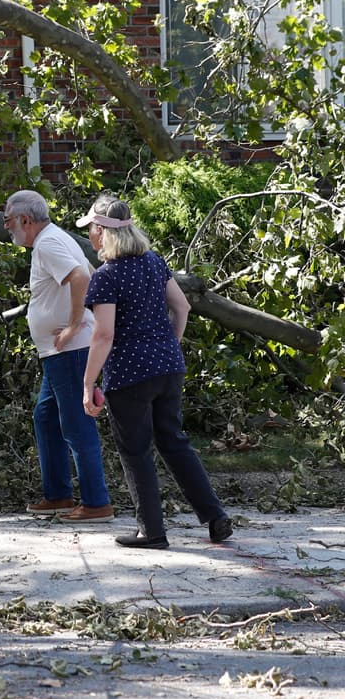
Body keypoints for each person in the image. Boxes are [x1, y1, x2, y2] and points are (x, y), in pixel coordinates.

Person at [77, 194, 233, 550]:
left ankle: (152, 531)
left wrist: (88, 384)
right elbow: (183, 307)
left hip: (130, 374)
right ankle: (214, 516)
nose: (90, 236)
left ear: (103, 232)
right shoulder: (154, 263)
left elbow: (103, 334)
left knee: (136, 451)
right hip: (168, 367)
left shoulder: (106, 276)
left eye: (92, 230)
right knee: (174, 442)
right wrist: (168, 346)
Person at [2, 190, 113, 523]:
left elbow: (80, 279)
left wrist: (73, 325)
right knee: (46, 417)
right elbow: (91, 275)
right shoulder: (52, 240)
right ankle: (58, 494)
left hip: (70, 349)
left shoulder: (49, 243)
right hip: (58, 351)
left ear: (25, 220)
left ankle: (96, 503)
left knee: (76, 424)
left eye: (8, 221)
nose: (7, 228)